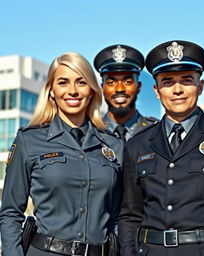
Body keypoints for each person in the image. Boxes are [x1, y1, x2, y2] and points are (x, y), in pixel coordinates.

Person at [118, 40, 204, 256]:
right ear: (156, 90)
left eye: (186, 80)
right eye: (168, 82)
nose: (178, 90)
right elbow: (129, 215)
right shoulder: (138, 144)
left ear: (200, 86)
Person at [0, 52, 122, 256]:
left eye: (81, 82)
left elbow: (117, 217)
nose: (72, 91)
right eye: (63, 82)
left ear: (92, 91)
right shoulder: (28, 141)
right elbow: (11, 213)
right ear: (51, 91)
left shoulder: (114, 144)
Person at [94, 44, 158, 143]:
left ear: (139, 87)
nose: (120, 89)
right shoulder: (91, 131)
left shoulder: (157, 131)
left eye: (127, 82)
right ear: (102, 88)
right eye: (111, 83)